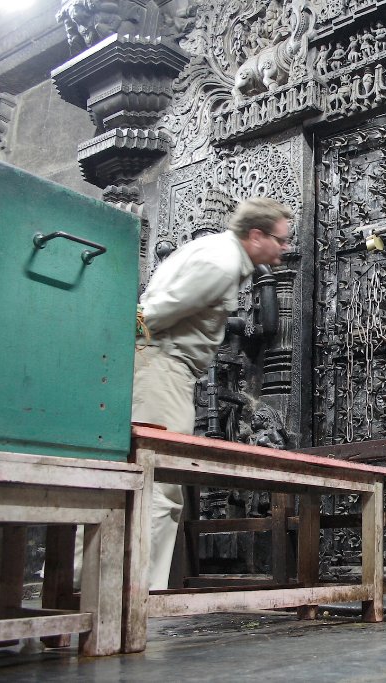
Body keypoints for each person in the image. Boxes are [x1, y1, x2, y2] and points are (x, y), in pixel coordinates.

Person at [134, 196, 293, 588]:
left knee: (150, 482)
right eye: (281, 240)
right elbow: (151, 315)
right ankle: (136, 596)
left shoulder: (219, 256)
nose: (284, 249)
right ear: (256, 236)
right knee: (158, 486)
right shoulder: (221, 262)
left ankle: (122, 594)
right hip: (163, 370)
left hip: (165, 370)